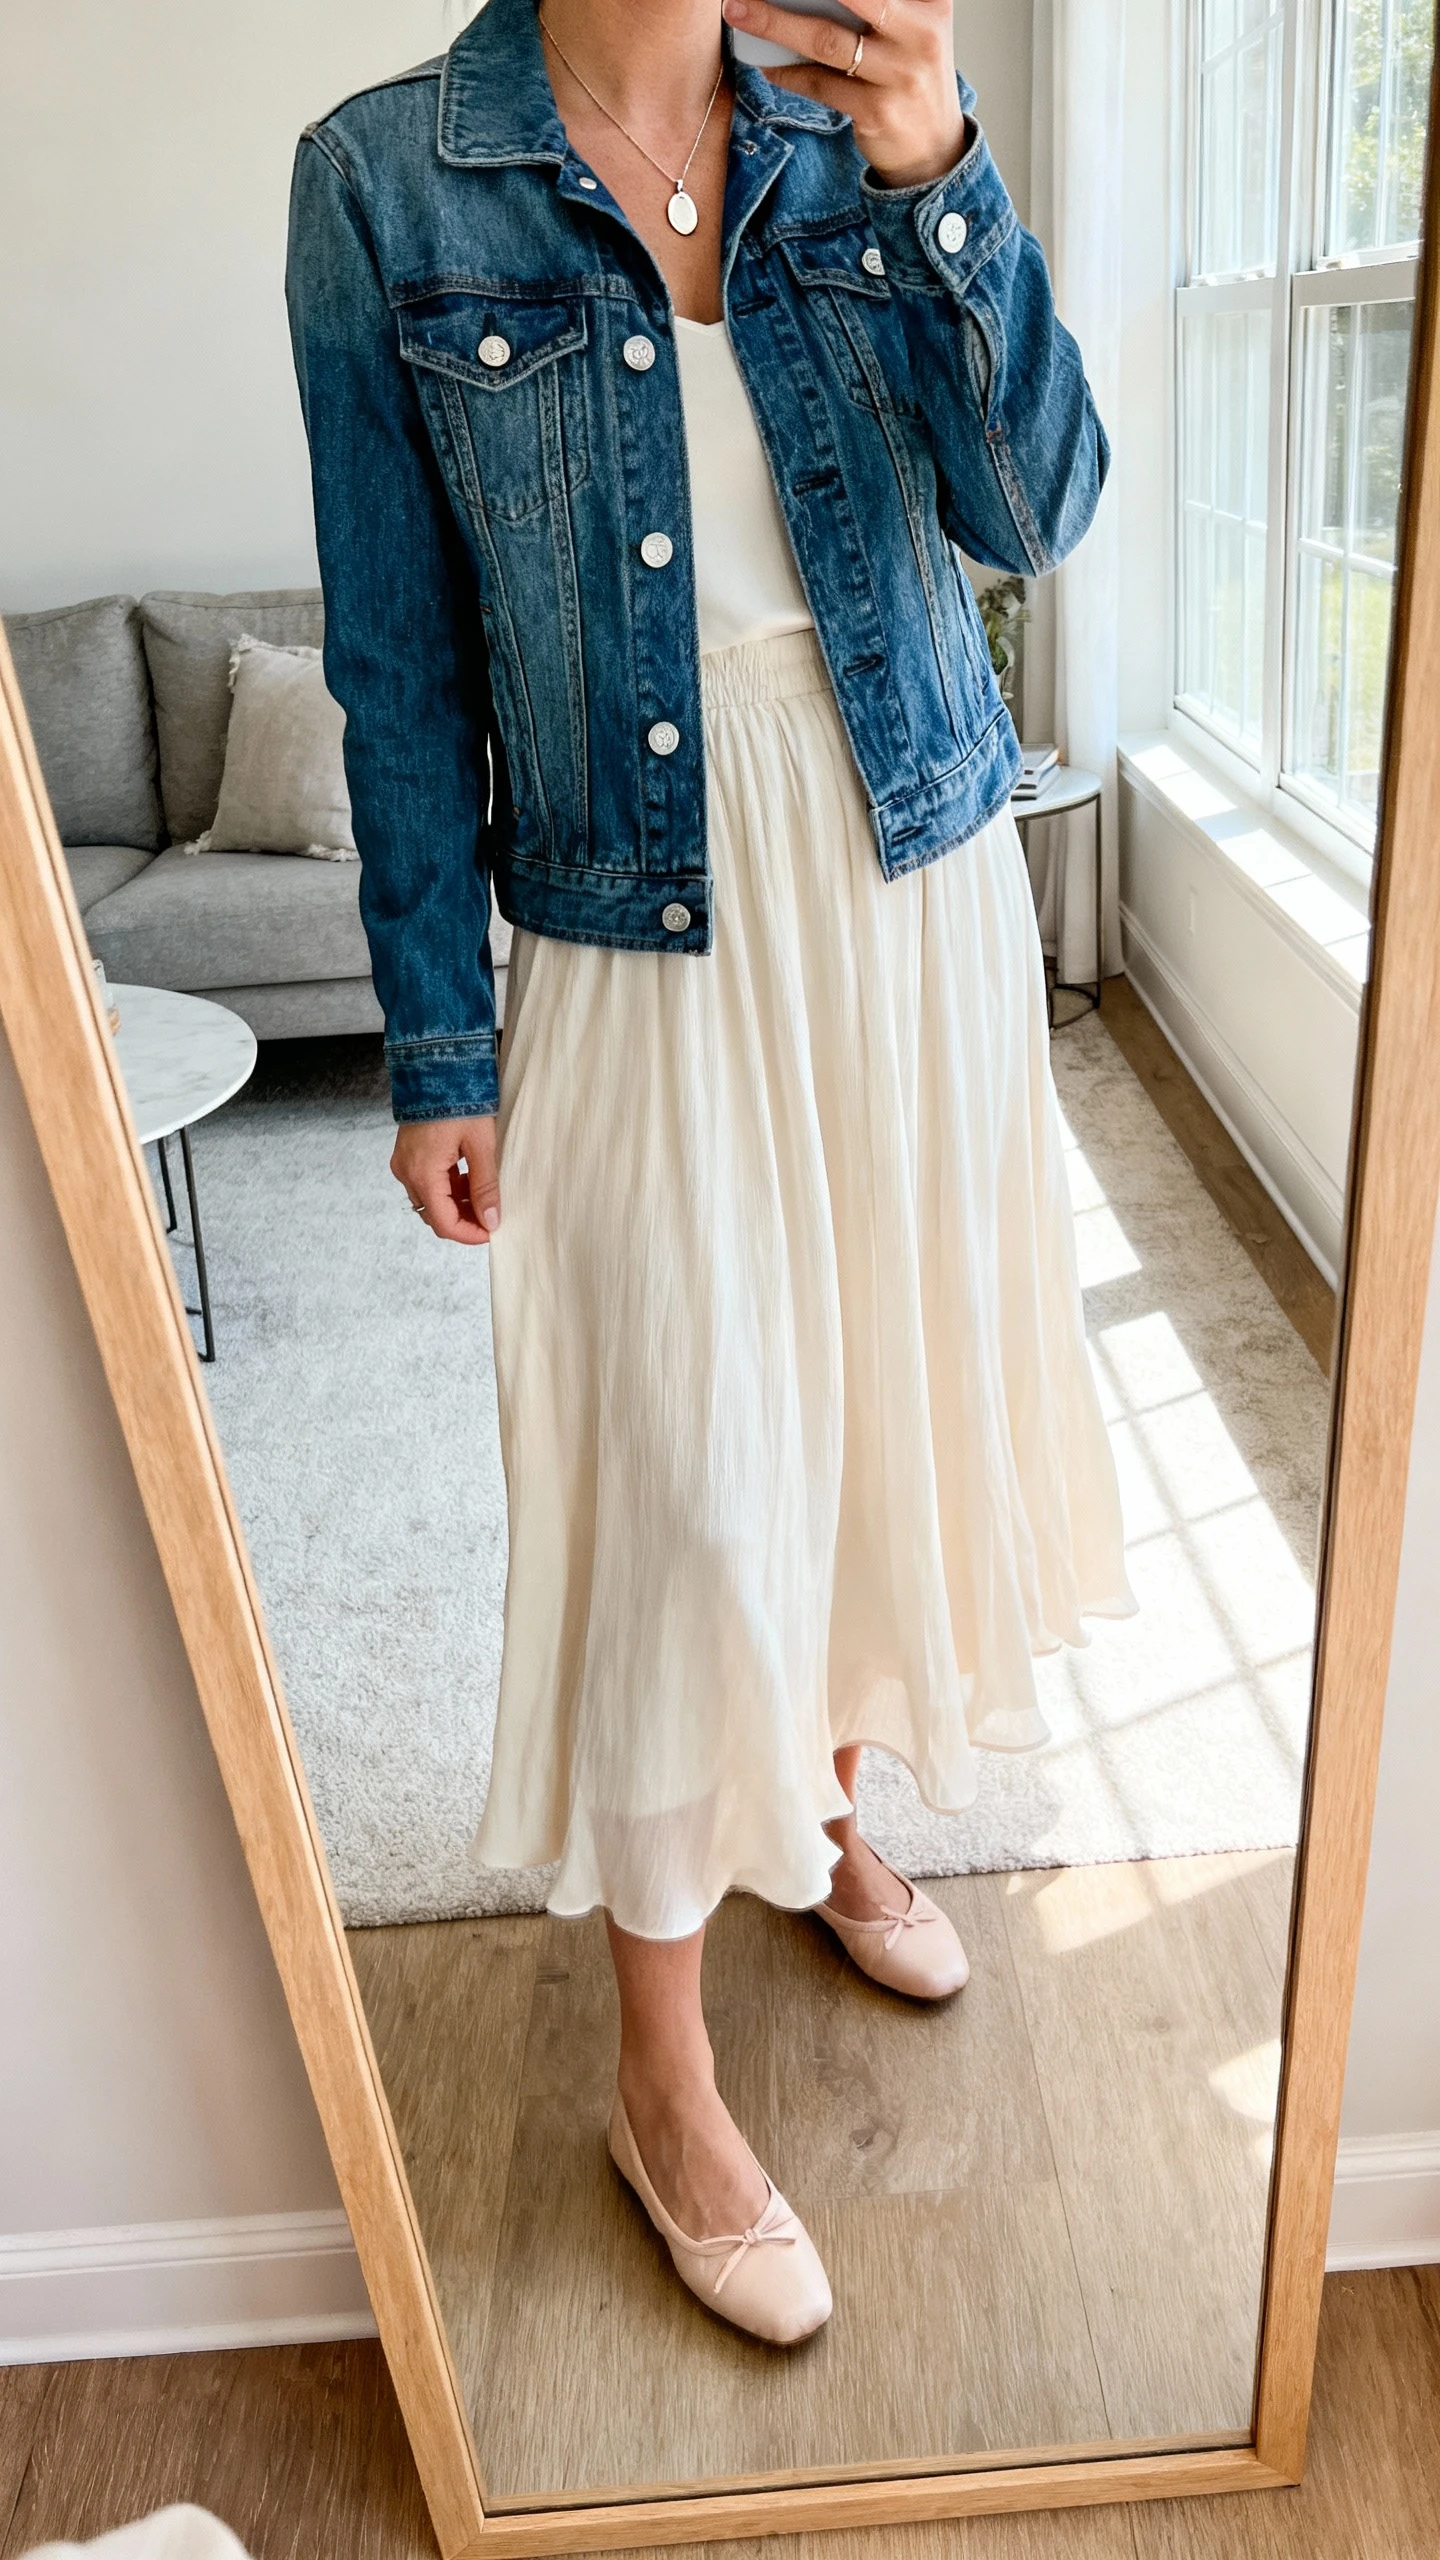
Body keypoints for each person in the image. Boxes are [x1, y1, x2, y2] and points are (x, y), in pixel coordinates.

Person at [287, 0, 1133, 2347]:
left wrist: (939, 165)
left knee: (862, 1418)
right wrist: (436, 1038)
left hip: (914, 879)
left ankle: (823, 1808)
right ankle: (661, 2079)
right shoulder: (384, 178)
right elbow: (393, 655)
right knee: (682, 1474)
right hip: (625, 916)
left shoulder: (863, 128)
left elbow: (1038, 513)